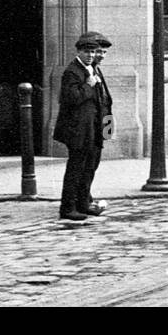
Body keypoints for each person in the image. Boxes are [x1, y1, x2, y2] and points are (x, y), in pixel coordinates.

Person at [53, 31, 114, 222]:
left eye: (93, 52)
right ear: (78, 52)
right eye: (87, 52)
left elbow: (103, 100)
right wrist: (88, 85)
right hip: (79, 131)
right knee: (76, 169)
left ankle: (83, 204)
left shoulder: (93, 68)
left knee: (90, 167)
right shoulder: (72, 71)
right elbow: (70, 99)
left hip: (95, 129)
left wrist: (107, 129)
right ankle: (68, 207)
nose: (91, 55)